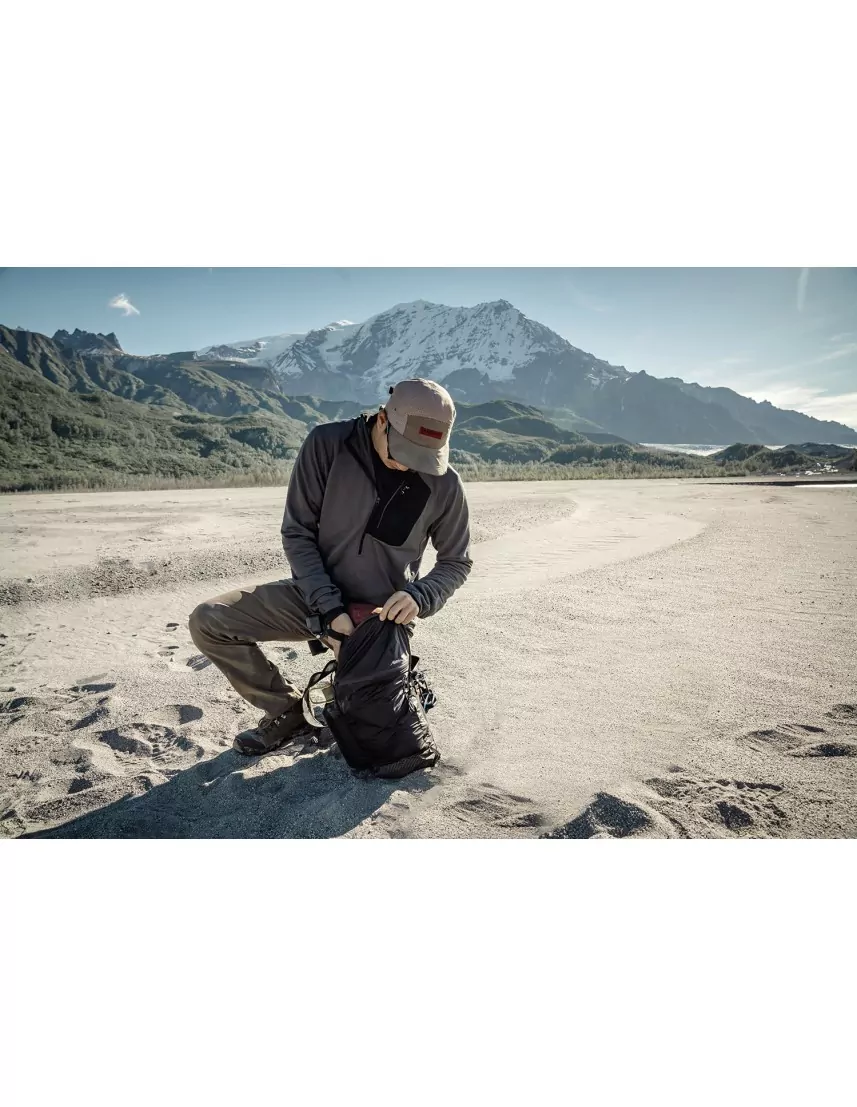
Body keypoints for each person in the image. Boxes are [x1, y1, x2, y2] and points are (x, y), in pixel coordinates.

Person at [188, 378, 473, 755]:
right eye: (403, 453)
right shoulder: (327, 445)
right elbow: (298, 534)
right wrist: (330, 610)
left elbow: (456, 561)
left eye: (423, 457)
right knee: (209, 620)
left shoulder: (445, 484)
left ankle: (393, 679)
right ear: (383, 421)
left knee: (376, 740)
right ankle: (289, 713)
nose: (409, 466)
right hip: (313, 594)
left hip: (380, 620)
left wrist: (418, 596)